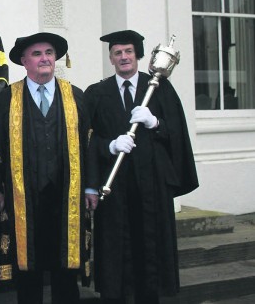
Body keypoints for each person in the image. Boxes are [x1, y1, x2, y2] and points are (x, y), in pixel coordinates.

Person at [84, 30, 199, 304]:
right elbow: (86, 140)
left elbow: (178, 134)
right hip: (114, 187)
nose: (123, 57)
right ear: (111, 58)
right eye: (117, 53)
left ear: (138, 56)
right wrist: (109, 146)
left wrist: (154, 123)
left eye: (128, 52)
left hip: (151, 186)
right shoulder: (97, 93)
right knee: (116, 251)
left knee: (150, 251)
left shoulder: (159, 88)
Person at [0, 32, 96, 304]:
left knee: (66, 265)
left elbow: (89, 145)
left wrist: (91, 186)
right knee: (28, 266)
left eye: (49, 52)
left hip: (66, 194)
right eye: (37, 54)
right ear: (24, 61)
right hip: (23, 196)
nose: (45, 58)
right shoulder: (7, 98)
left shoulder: (75, 96)